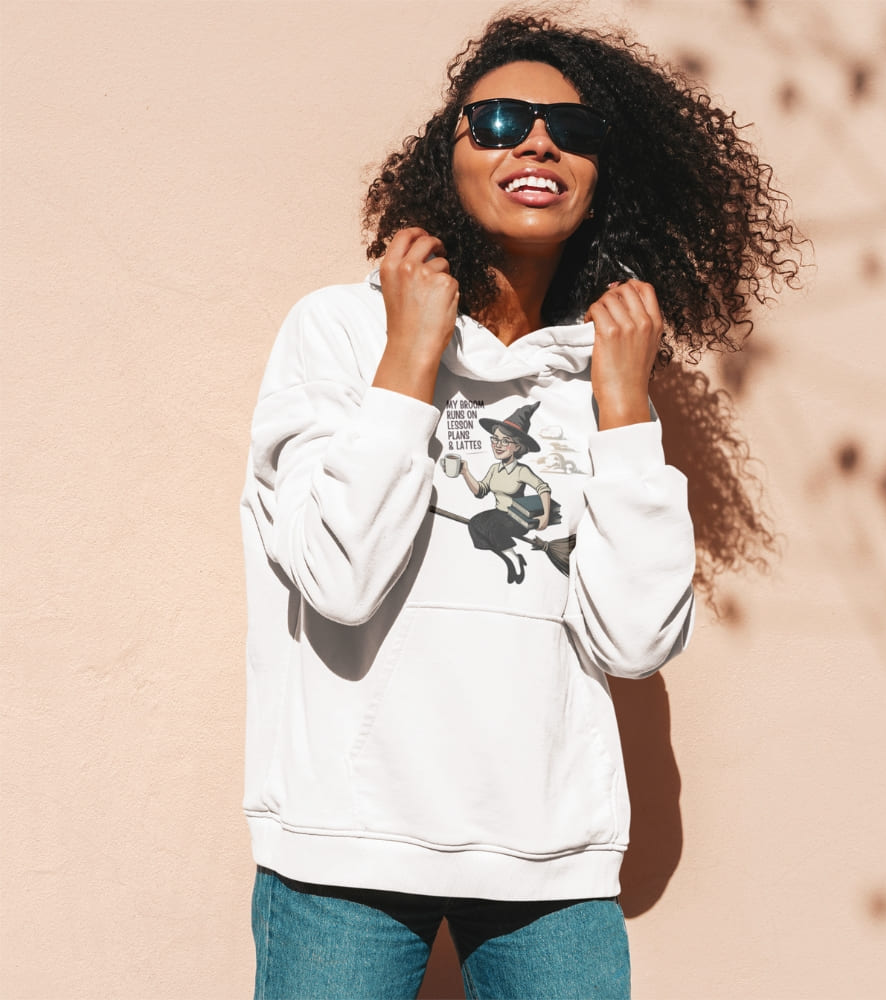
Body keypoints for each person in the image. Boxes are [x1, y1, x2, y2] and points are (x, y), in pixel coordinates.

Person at [241, 12, 800, 999]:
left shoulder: (605, 377)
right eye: (497, 121)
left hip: (552, 861)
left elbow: (632, 640)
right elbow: (339, 577)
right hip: (347, 848)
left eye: (570, 130)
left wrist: (625, 408)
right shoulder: (339, 330)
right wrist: (410, 358)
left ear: (601, 178)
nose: (536, 141)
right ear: (445, 156)